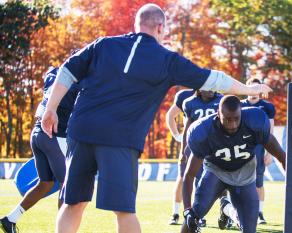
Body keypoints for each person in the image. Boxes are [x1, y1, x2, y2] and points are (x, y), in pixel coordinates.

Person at [40, 4, 272, 233]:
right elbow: (214, 80)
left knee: (73, 204)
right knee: (124, 211)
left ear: (136, 24)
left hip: (81, 131)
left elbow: (67, 70)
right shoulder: (167, 60)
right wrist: (250, 90)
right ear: (161, 27)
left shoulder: (103, 44)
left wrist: (51, 108)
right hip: (119, 138)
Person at [181, 95, 286, 233]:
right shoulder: (204, 131)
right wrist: (187, 210)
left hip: (245, 174)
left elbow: (282, 157)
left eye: (236, 119)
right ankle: (223, 208)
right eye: (228, 119)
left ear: (241, 112)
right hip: (216, 172)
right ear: (218, 114)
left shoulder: (255, 121)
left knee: (249, 229)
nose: (233, 124)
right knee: (195, 214)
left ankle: (227, 209)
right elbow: (189, 175)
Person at [1, 67, 80, 233]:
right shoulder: (77, 83)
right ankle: (63, 230)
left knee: (46, 183)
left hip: (37, 134)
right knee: (68, 184)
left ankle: (10, 219)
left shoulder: (54, 74)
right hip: (51, 136)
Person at [181, 90, 223, 227]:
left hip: (218, 146)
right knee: (197, 180)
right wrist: (183, 150)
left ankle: (225, 211)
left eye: (213, 86)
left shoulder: (221, 100)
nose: (211, 90)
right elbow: (187, 130)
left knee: (223, 180)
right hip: (199, 146)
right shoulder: (190, 103)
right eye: (208, 86)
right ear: (199, 89)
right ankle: (197, 214)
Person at [241, 77, 276, 225]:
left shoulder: (267, 107)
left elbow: (270, 131)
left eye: (257, 88)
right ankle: (238, 211)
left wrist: (270, 153)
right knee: (237, 180)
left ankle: (259, 212)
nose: (254, 91)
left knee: (258, 183)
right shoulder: (239, 105)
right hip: (241, 146)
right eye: (252, 88)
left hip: (259, 147)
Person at [166, 89, 195, 225]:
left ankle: (198, 214)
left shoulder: (215, 95)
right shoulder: (185, 96)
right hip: (189, 145)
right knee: (182, 178)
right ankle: (176, 212)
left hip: (209, 144)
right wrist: (177, 135)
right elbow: (170, 115)